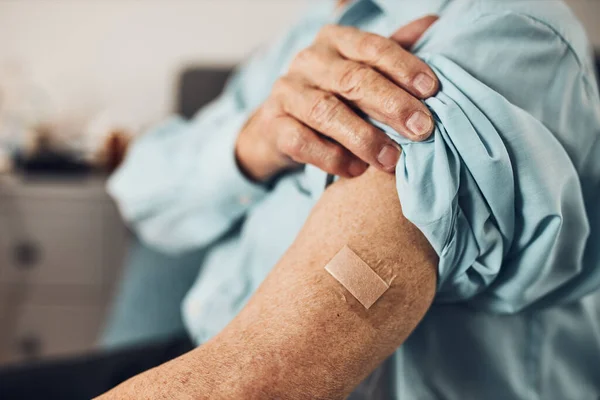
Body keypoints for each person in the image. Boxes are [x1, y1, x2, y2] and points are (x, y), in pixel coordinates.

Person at [1, 0, 600, 398]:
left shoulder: (496, 27)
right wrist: (251, 144)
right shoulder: (305, 35)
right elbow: (141, 194)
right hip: (201, 345)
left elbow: (266, 376)